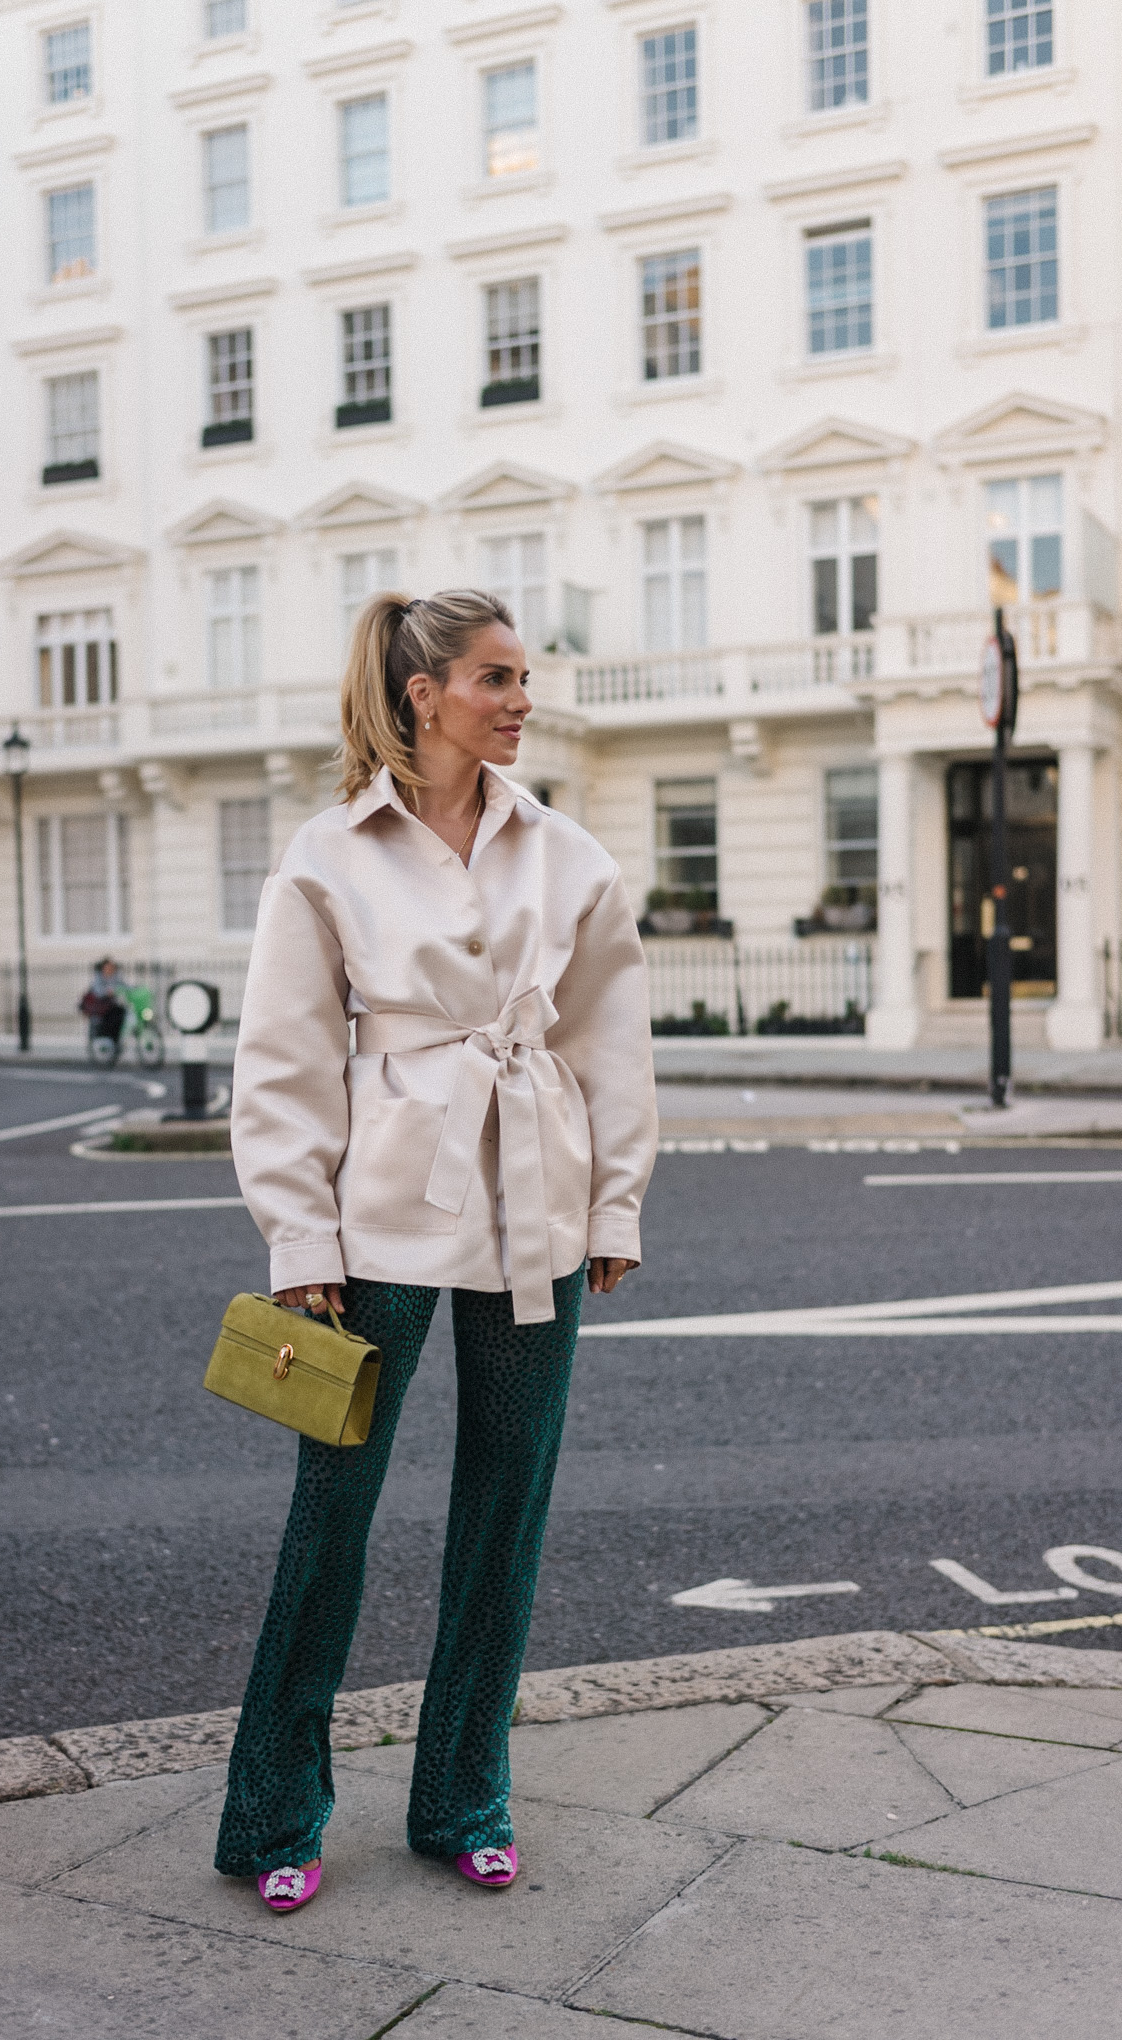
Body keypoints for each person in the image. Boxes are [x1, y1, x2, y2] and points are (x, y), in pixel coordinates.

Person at [217, 589, 658, 1912]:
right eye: (497, 678)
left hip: (536, 1213)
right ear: (426, 693)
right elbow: (286, 1058)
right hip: (375, 1231)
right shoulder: (326, 851)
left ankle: (466, 1795)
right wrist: (299, 1228)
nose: (524, 698)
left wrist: (615, 1203)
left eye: (525, 678)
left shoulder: (566, 853)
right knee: (329, 1523)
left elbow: (607, 1038)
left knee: (504, 1519)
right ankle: (275, 1813)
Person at [84, 956, 126, 1046]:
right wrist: (107, 992)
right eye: (107, 967)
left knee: (122, 1011)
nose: (110, 969)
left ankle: (116, 1040)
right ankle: (110, 1039)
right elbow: (98, 991)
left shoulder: (115, 977)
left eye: (111, 967)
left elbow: (124, 986)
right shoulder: (98, 978)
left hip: (111, 1005)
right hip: (102, 1007)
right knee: (114, 1016)